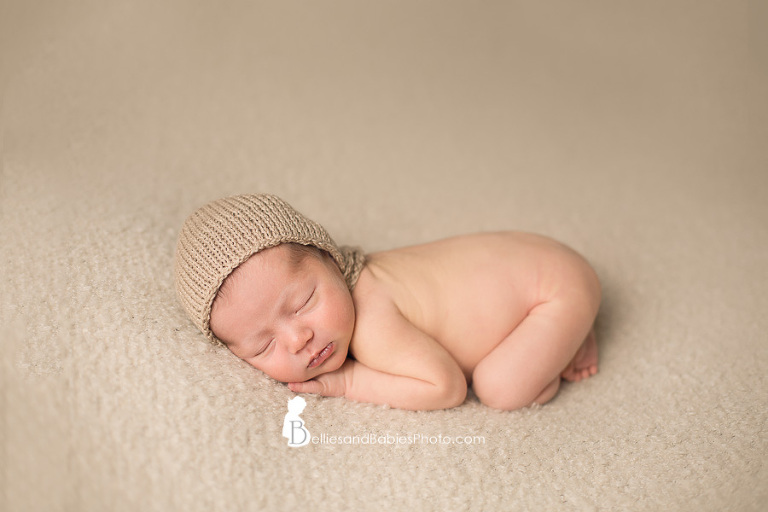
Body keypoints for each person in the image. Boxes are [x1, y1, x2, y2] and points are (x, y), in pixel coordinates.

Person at [174, 194, 600, 411]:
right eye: (262, 347)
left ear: (331, 258)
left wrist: (348, 382)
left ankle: (572, 329)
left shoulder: (375, 323)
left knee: (501, 388)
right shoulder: (349, 284)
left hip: (555, 285)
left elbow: (445, 387)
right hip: (536, 254)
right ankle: (564, 330)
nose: (299, 338)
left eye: (304, 302)